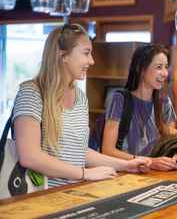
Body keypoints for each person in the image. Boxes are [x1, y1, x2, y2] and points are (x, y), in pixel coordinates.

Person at [13, 23, 149, 188]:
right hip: (41, 197)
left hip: (73, 194)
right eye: (86, 53)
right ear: (63, 56)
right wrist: (85, 173)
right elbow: (29, 156)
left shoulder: (80, 98)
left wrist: (126, 165)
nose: (91, 61)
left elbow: (80, 152)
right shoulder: (31, 93)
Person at [101, 44, 177, 171]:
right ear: (141, 69)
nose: (165, 73)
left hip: (154, 174)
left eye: (166, 67)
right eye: (159, 67)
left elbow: (169, 142)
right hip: (124, 173)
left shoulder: (165, 102)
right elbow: (107, 150)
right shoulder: (119, 99)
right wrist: (149, 162)